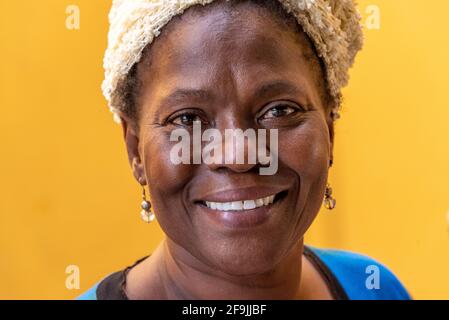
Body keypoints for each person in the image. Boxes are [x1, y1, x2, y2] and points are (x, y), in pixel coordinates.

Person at [78, 0, 411, 300]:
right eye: (188, 118)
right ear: (135, 149)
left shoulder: (371, 287)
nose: (238, 157)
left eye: (280, 111)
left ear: (330, 131)